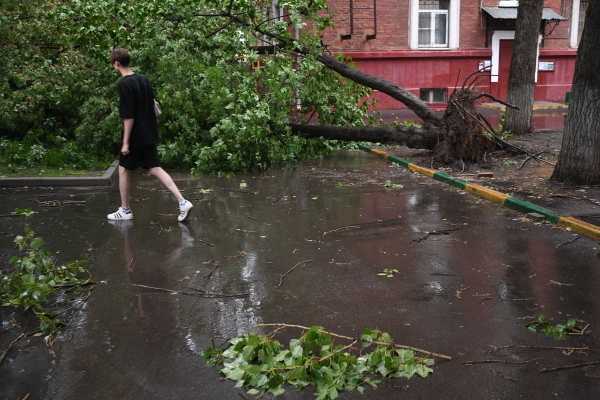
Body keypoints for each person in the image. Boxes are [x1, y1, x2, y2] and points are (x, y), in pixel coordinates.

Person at [107, 48, 193, 222]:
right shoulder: (142, 78)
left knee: (123, 169)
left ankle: (125, 210)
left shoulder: (124, 84)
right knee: (155, 168)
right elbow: (154, 105)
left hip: (134, 136)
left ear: (117, 63)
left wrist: (125, 142)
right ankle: (182, 201)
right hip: (149, 132)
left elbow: (128, 115)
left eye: (113, 65)